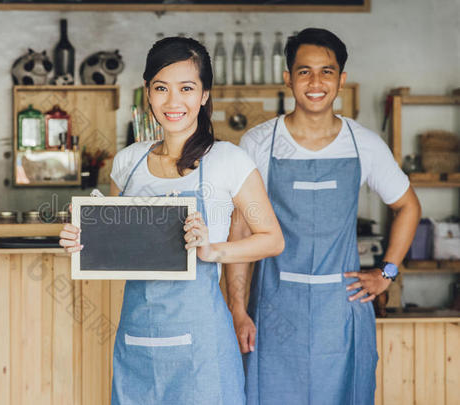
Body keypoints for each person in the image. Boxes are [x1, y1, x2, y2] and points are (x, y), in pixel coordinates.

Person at [60, 37, 284, 404]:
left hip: (203, 347)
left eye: (186, 88)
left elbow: (272, 239)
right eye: (161, 88)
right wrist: (80, 240)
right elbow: (118, 246)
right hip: (136, 339)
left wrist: (212, 249)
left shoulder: (229, 162)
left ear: (205, 95)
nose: (173, 101)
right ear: (147, 92)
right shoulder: (127, 164)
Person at [226, 28, 421, 405]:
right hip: (271, 311)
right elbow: (239, 231)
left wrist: (387, 273)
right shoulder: (258, 143)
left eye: (326, 71)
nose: (315, 82)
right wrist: (237, 310)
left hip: (343, 312)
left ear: (341, 80)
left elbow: (408, 205)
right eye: (304, 71)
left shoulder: (363, 143)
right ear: (288, 78)